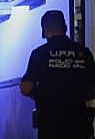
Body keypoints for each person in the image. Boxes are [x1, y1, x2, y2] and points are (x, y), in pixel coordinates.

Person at [20, 9, 95, 138]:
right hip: (79, 124)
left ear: (45, 29)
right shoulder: (84, 52)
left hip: (50, 125)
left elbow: (26, 88)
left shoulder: (40, 54)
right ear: (65, 27)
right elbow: (93, 89)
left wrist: (39, 96)